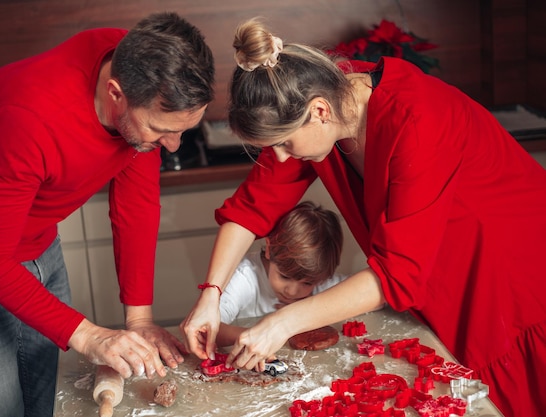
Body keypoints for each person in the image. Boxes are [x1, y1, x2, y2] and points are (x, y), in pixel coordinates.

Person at [181, 18, 546, 417]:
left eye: (284, 143)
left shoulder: (418, 121)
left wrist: (283, 322)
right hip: (442, 270)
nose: (280, 158)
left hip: (516, 273)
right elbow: (253, 206)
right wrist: (210, 295)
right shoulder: (322, 102)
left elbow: (396, 274)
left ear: (318, 111)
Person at [0, 12, 214, 417]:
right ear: (116, 95)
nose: (174, 145)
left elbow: (136, 204)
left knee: (46, 402)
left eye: (184, 129)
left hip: (39, 244)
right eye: (160, 129)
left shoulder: (141, 64)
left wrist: (140, 317)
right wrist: (90, 336)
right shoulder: (29, 120)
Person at [216, 201, 348, 347]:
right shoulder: (245, 277)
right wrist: (263, 334)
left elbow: (372, 295)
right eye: (284, 276)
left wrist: (311, 308)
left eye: (307, 283)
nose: (292, 291)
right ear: (269, 249)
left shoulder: (320, 278)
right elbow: (211, 327)